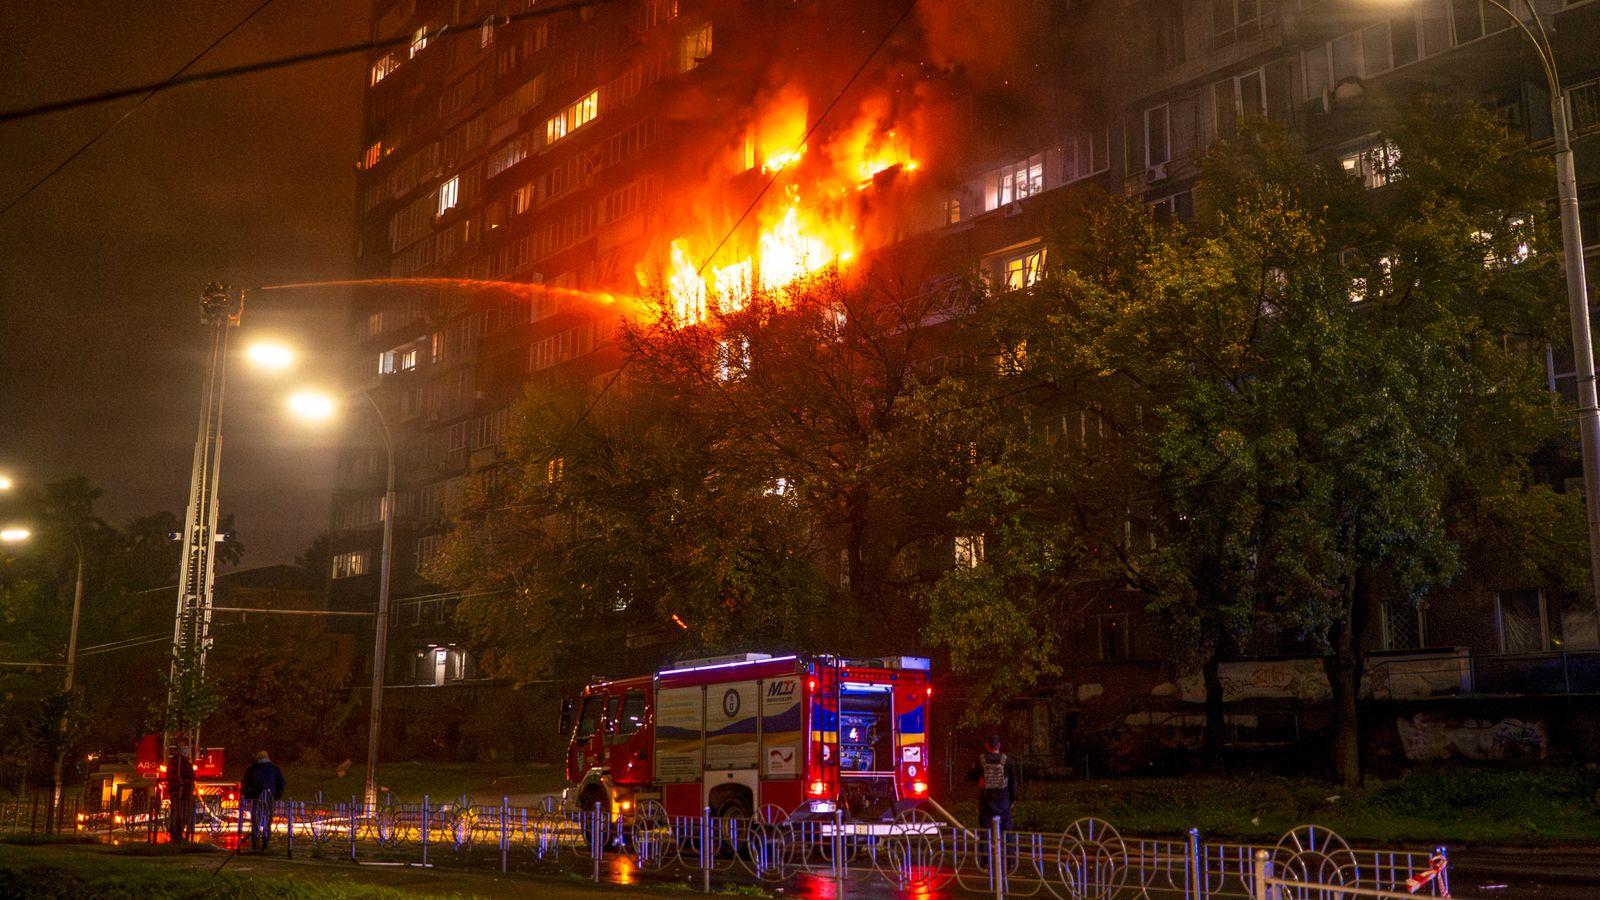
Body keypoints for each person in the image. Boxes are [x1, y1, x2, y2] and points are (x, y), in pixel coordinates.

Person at [967, 734, 1019, 832]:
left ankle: (986, 846)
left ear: (987, 745)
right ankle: (1010, 846)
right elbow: (1013, 783)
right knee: (1007, 830)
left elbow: (971, 777)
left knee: (985, 831)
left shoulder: (980, 760)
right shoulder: (1009, 761)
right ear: (999, 745)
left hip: (986, 802)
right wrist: (1012, 799)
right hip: (1003, 802)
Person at [242, 750, 286, 851]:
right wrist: (276, 796)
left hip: (255, 799)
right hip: (269, 799)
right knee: (267, 821)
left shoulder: (252, 769)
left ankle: (255, 844)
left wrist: (246, 797)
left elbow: (245, 784)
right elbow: (281, 783)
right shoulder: (274, 769)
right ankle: (265, 844)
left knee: (255, 822)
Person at [164, 743, 197, 843]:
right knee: (181, 813)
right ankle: (177, 833)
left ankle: (175, 833)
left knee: (175, 811)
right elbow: (192, 777)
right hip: (183, 793)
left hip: (175, 791)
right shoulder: (184, 764)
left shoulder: (173, 763)